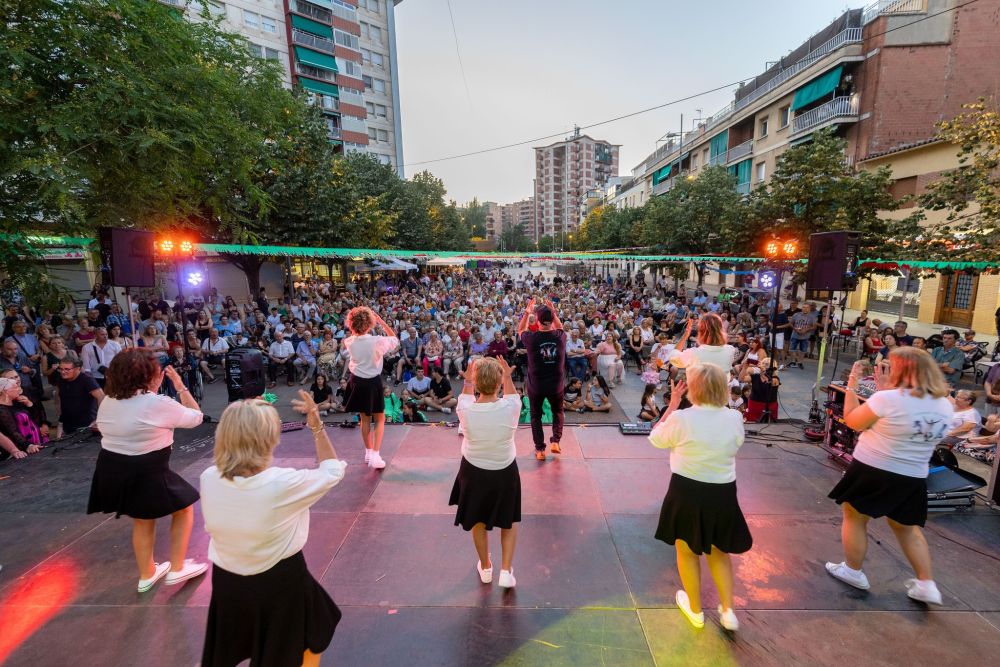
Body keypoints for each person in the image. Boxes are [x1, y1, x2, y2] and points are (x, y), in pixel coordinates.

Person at [199, 393, 345, 667]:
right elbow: (333, 471)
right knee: (312, 634)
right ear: (268, 439)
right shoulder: (281, 485)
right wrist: (316, 425)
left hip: (227, 580)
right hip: (279, 582)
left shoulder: (209, 478)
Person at [826, 347, 954, 606]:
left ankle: (852, 570)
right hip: (913, 475)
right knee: (906, 527)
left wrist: (853, 384)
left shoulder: (890, 399)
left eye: (891, 366)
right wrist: (884, 393)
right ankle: (926, 584)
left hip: (874, 468)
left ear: (903, 370)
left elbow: (852, 421)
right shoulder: (945, 404)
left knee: (855, 515)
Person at [87, 350, 207, 593]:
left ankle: (147, 574)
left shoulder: (109, 401)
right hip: (146, 467)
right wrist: (180, 385)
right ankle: (177, 568)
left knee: (143, 518)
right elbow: (196, 418)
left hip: (111, 467)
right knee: (184, 508)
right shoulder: (156, 403)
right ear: (150, 376)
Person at [648, 365, 750, 631]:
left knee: (687, 551)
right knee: (719, 551)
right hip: (723, 492)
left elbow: (656, 439)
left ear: (693, 388)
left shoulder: (682, 418)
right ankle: (728, 611)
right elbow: (736, 443)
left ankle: (695, 609)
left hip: (686, 491)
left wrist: (671, 406)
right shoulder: (734, 418)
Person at [449, 357, 521, 589]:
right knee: (508, 521)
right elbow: (510, 393)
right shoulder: (512, 407)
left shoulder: (464, 407)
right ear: (500, 382)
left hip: (473, 472)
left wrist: (469, 380)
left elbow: (467, 393)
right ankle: (506, 572)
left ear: (477, 384)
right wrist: (507, 376)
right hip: (505, 471)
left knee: (478, 520)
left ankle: (486, 567)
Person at [342, 306, 399, 470]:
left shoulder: (349, 341)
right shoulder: (377, 341)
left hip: (356, 381)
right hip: (372, 382)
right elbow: (394, 338)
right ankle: (375, 454)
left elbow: (356, 334)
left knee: (364, 419)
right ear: (370, 323)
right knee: (379, 419)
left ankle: (368, 453)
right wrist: (381, 322)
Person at [518, 299, 566, 462]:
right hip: (556, 385)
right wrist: (554, 312)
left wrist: (526, 312)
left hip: (536, 385)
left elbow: (520, 330)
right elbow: (560, 327)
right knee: (558, 412)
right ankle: (556, 442)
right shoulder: (560, 337)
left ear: (537, 320)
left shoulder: (531, 339)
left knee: (535, 416)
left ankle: (539, 449)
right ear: (551, 320)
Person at [51, 353, 104, 437]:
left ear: (77, 369)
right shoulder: (61, 379)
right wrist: (60, 417)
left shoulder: (87, 380)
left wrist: (99, 418)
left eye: (67, 369)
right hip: (67, 423)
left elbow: (101, 396)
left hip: (86, 424)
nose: (63, 372)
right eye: (61, 369)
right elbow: (58, 397)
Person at [0, 376, 47, 459]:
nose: (19, 388)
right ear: (5, 391)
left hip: (33, 440)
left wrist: (29, 404)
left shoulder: (17, 401)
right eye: (15, 387)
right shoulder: (2, 410)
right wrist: (26, 445)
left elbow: (35, 418)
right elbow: (13, 431)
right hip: (18, 449)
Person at [670, 312, 736, 371]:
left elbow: (673, 357)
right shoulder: (730, 350)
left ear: (701, 331)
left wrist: (685, 336)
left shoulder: (694, 353)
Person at [740, 357, 781, 423]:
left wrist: (764, 371)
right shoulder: (755, 376)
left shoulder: (775, 379)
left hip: (769, 406)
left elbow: (770, 382)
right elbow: (741, 379)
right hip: (754, 405)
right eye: (763, 363)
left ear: (773, 368)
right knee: (752, 424)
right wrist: (744, 368)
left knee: (769, 425)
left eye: (766, 364)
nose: (764, 365)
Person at [787, 303, 817, 369]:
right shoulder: (796, 314)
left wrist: (806, 329)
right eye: (803, 307)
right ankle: (793, 361)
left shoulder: (812, 317)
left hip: (805, 336)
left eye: (807, 307)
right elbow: (790, 323)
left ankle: (800, 362)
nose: (805, 309)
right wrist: (795, 329)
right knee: (791, 349)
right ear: (801, 308)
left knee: (803, 350)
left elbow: (814, 327)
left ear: (809, 308)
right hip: (795, 334)